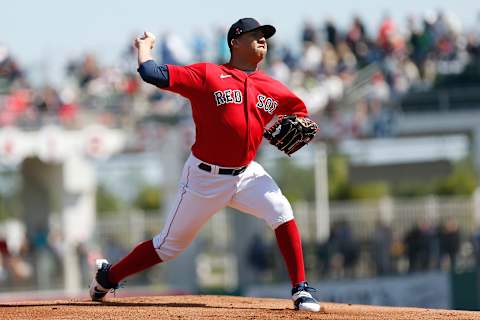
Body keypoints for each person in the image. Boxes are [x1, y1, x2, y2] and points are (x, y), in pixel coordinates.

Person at [89, 18, 320, 312]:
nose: (263, 39)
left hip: (247, 174)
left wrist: (301, 122)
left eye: (265, 36)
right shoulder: (208, 74)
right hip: (204, 177)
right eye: (255, 35)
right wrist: (145, 48)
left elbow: (301, 112)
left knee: (282, 211)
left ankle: (300, 290)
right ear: (235, 42)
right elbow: (150, 72)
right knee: (167, 247)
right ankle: (108, 277)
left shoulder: (271, 87)